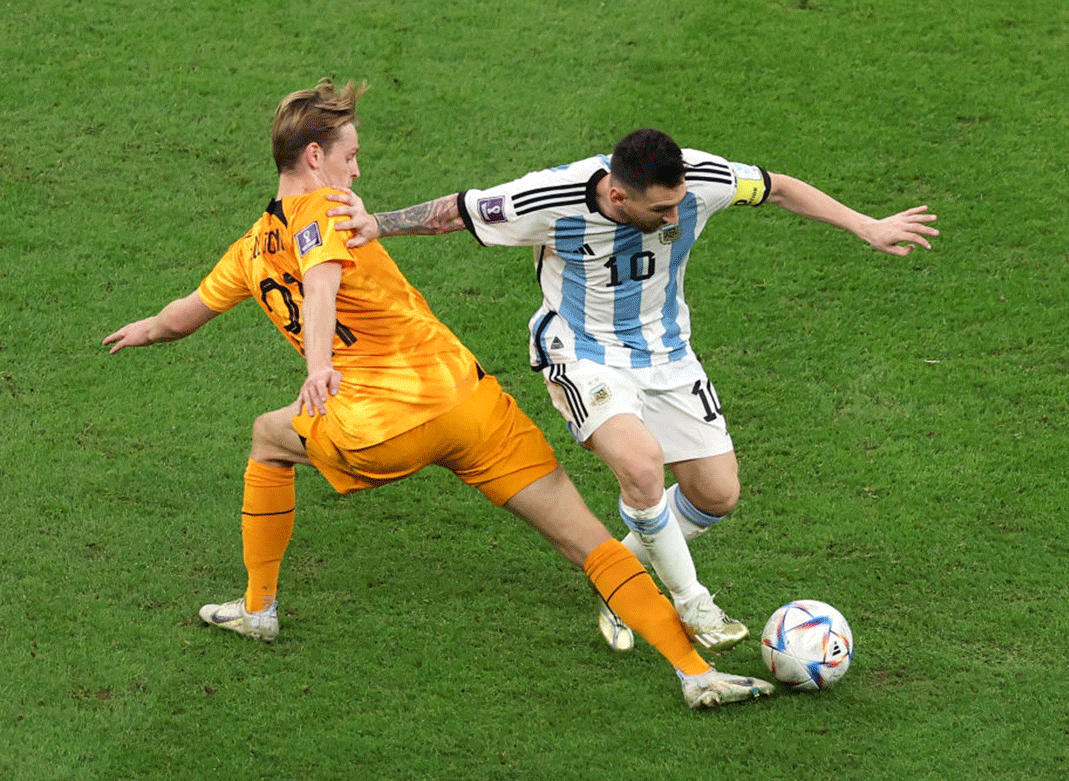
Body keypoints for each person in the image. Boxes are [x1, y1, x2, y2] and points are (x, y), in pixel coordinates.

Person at [102, 81, 772, 710]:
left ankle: (258, 608)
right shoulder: (326, 214)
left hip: (385, 424)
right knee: (594, 545)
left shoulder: (247, 252)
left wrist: (144, 331)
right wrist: (314, 362)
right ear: (314, 157)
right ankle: (696, 672)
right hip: (474, 406)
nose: (357, 173)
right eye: (351, 156)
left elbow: (186, 315)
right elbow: (323, 272)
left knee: (268, 436)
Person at [327, 129, 939, 653]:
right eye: (661, 209)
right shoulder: (548, 198)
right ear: (618, 194)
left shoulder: (699, 179)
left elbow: (775, 186)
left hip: (668, 355)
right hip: (582, 351)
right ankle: (693, 603)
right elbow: (461, 211)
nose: (676, 217)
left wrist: (866, 225)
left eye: (679, 205)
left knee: (717, 495)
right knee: (642, 466)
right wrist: (378, 223)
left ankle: (618, 577)